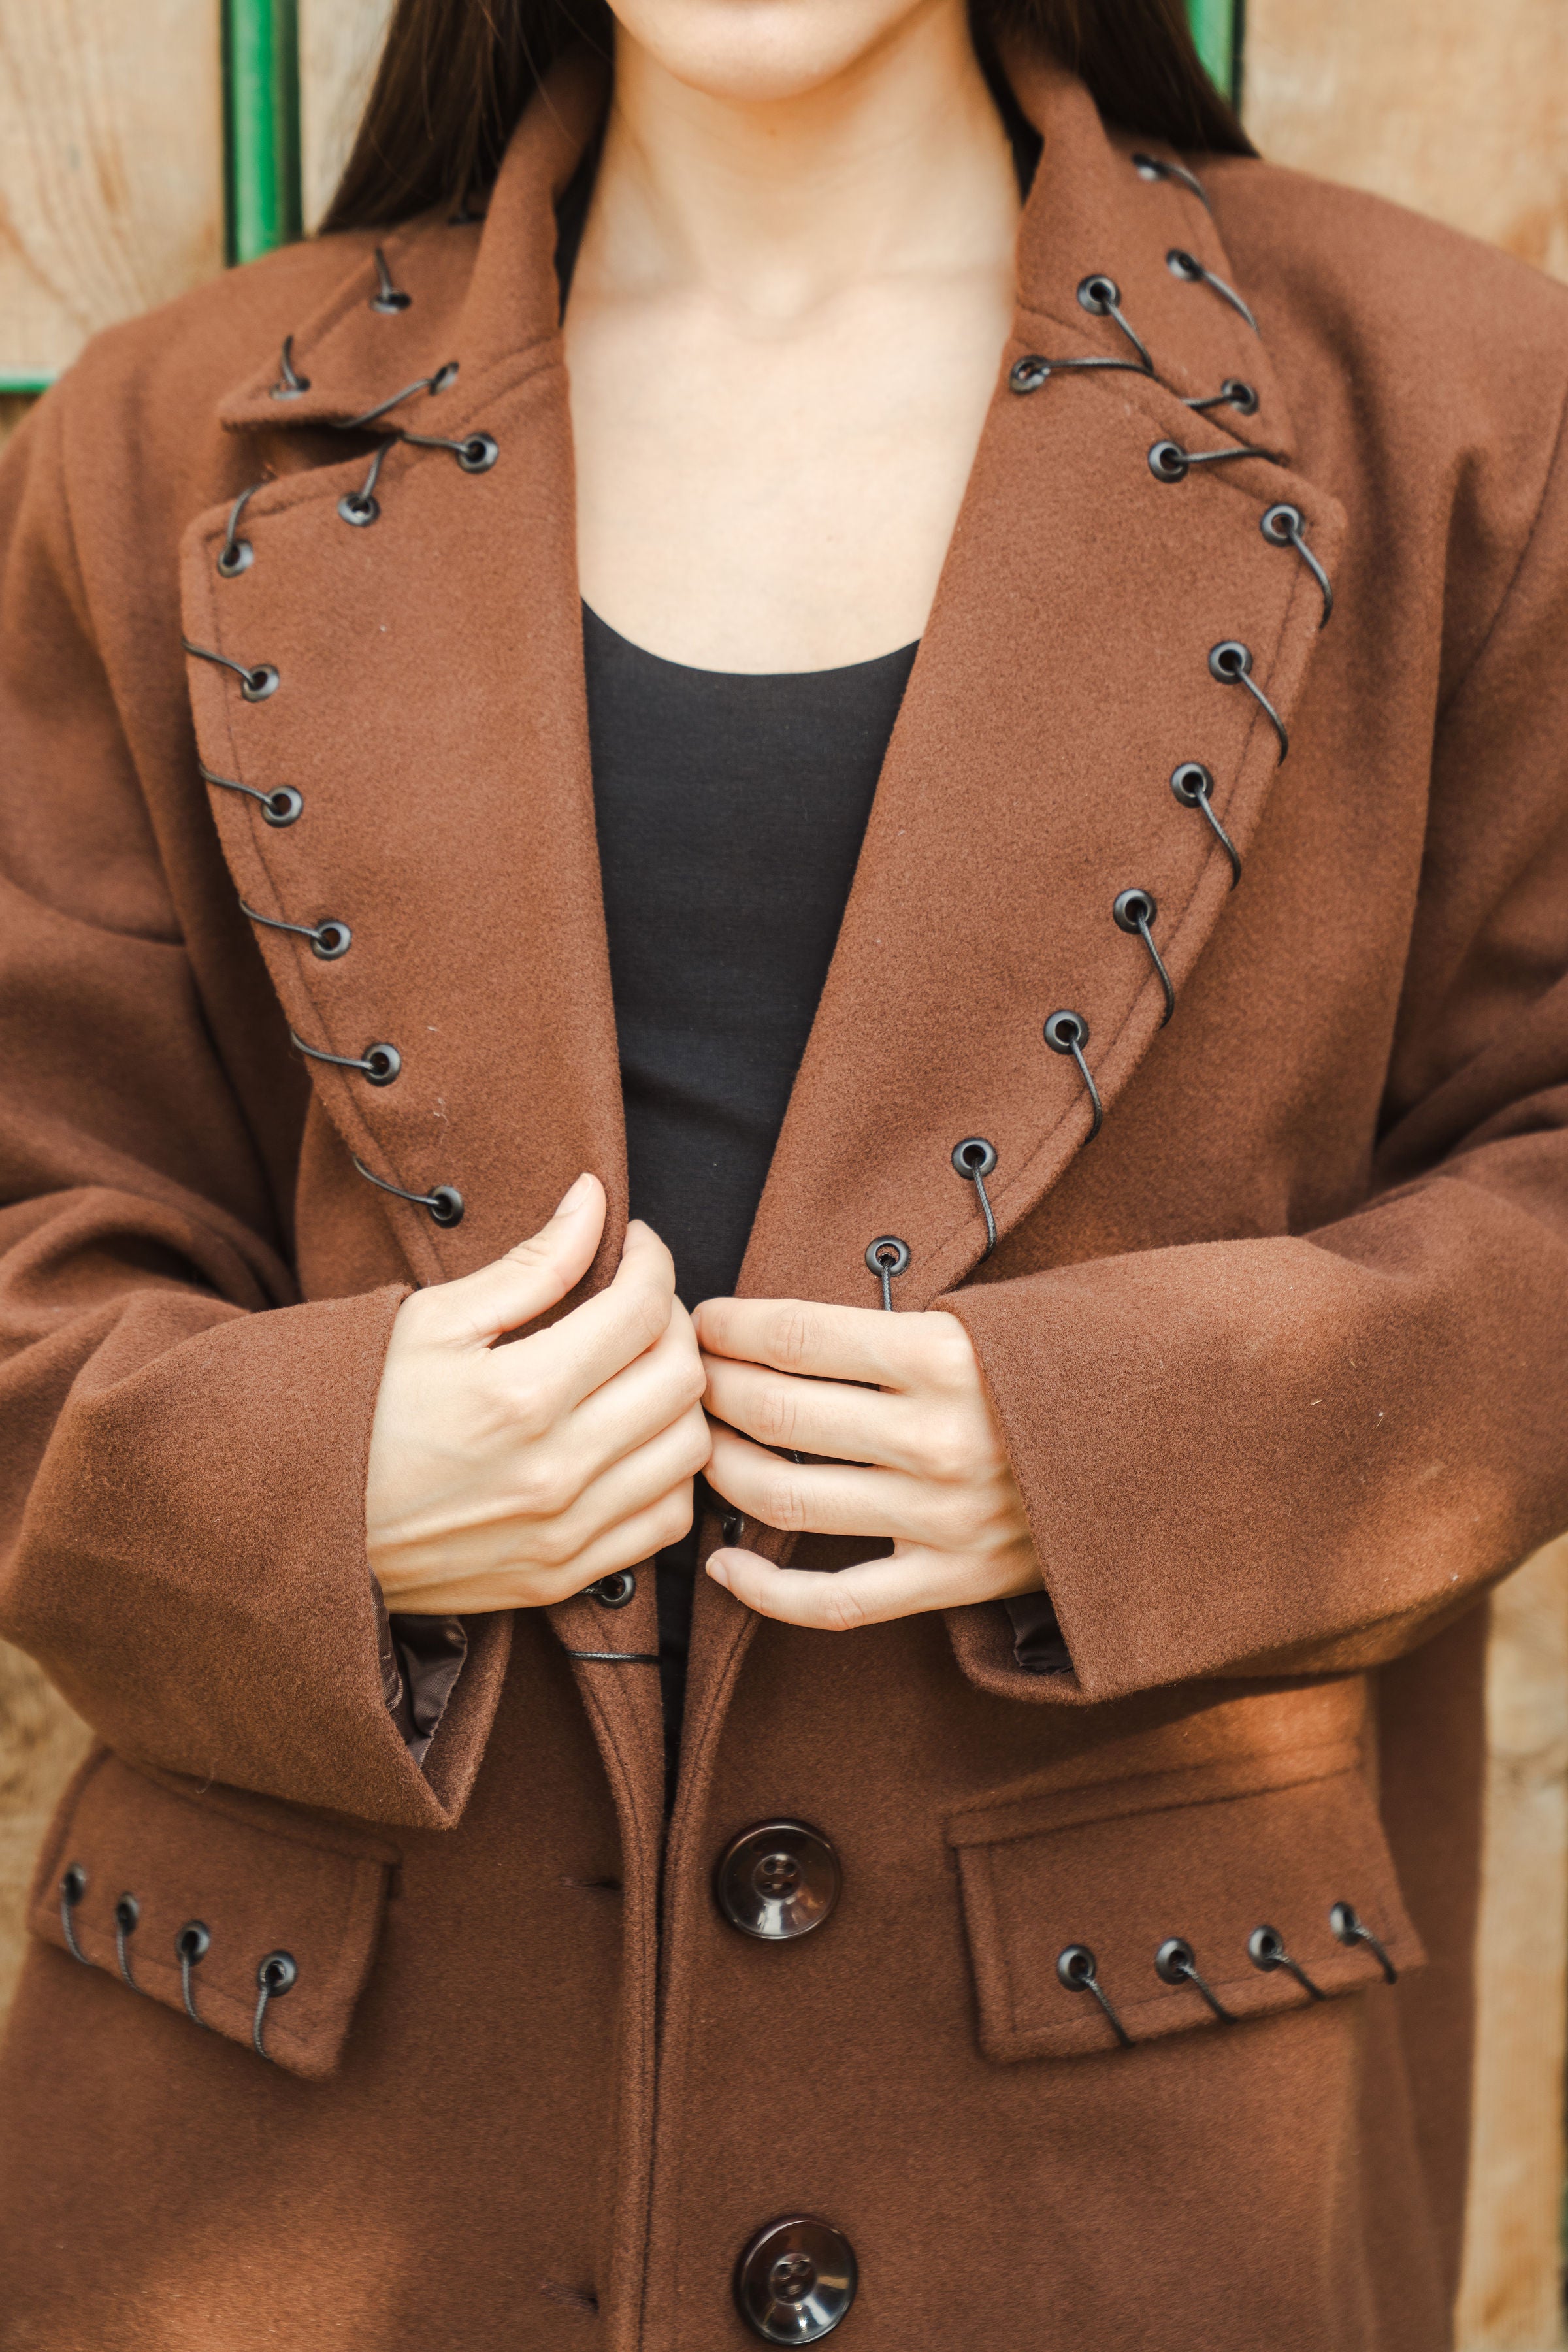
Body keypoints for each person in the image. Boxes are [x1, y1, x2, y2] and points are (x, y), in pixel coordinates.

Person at [1, 0, 1565, 2342]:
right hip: (299, 2148)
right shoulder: (161, 440)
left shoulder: (1452, 398)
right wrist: (325, 1488)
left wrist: (1119, 1457)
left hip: (1117, 2188)